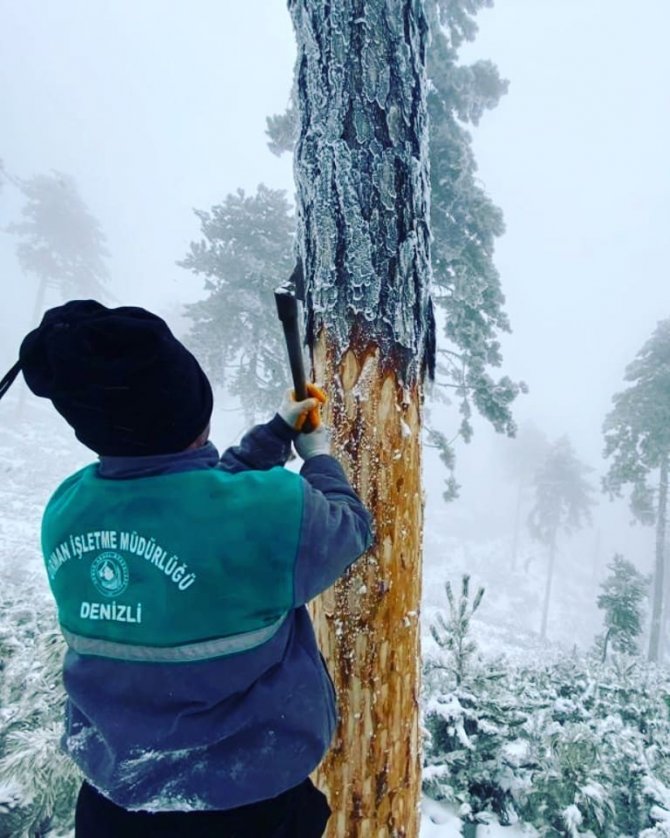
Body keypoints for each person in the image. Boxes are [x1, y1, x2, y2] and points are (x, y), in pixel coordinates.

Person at [0, 299, 373, 838]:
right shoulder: (272, 509)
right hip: (247, 803)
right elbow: (349, 528)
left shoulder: (67, 508)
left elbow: (187, 507)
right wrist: (319, 458)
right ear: (194, 405)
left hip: (112, 806)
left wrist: (272, 436)